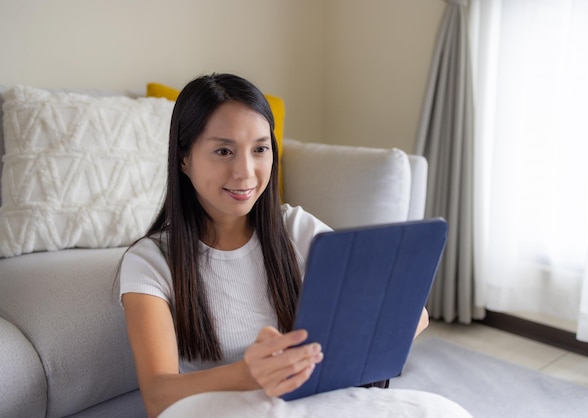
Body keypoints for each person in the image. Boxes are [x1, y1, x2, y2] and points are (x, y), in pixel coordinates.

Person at [119, 73, 429, 418]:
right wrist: (249, 374)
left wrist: (392, 326)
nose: (246, 172)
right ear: (183, 159)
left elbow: (407, 311)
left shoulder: (296, 228)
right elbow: (158, 396)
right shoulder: (151, 261)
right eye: (224, 151)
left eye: (260, 149)